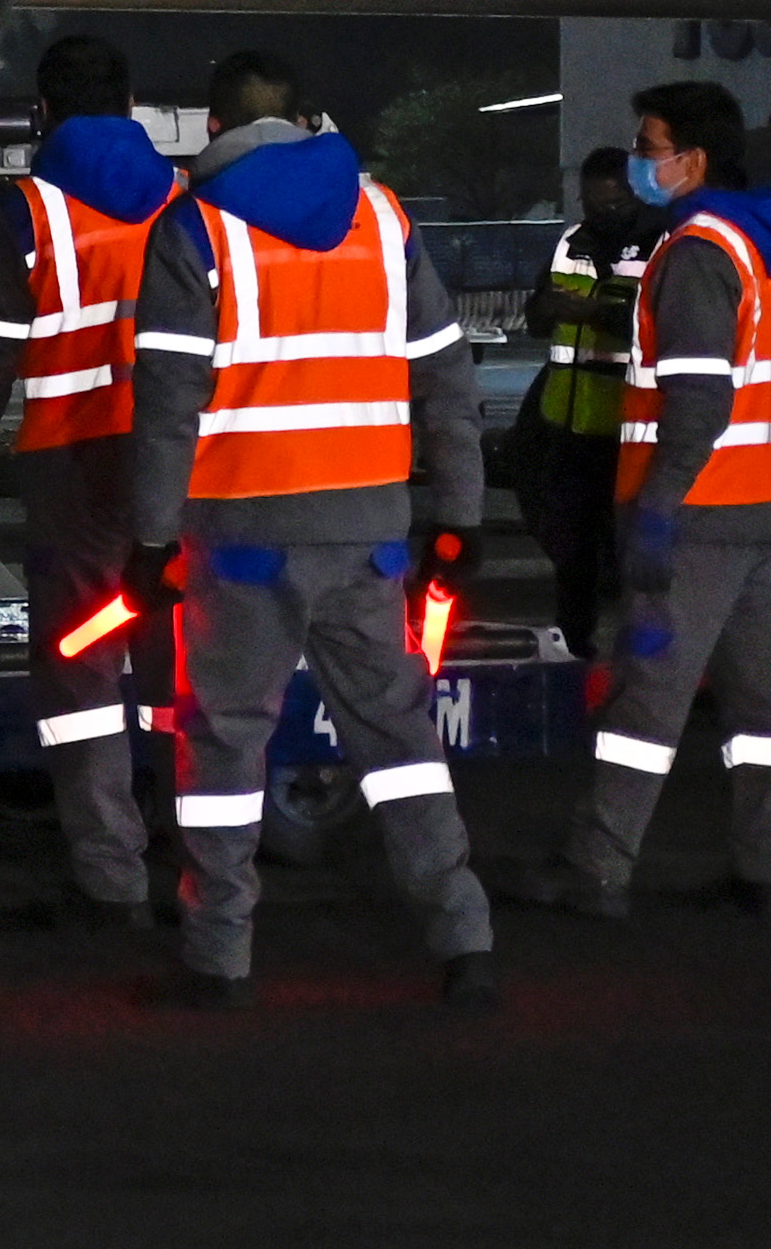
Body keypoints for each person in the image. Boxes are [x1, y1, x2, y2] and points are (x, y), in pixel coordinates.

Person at [124, 49, 496, 1007]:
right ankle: (464, 937)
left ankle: (219, 958)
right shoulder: (384, 217)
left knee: (224, 747)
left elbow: (167, 406)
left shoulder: (195, 228)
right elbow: (446, 380)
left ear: (212, 129)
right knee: (397, 738)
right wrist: (460, 514)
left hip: (240, 538)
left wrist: (151, 538)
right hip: (370, 532)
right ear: (305, 122)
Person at [504, 82, 771, 921]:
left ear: (693, 159)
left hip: (700, 513)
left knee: (646, 693)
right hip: (758, 504)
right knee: (760, 705)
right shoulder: (756, 243)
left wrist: (656, 508)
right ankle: (762, 865)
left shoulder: (698, 252)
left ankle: (597, 866)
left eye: (649, 147)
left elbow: (698, 401)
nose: (637, 162)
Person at [0, 35, 178, 928]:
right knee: (176, 659)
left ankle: (111, 876)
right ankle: (194, 854)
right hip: (179, 464)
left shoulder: (28, 212)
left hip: (76, 471)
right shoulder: (186, 202)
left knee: (80, 670)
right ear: (131, 104)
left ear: (42, 111)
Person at [515, 147, 652, 665]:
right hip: (567, 423)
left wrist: (593, 312)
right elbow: (535, 319)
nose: (602, 213)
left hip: (626, 430)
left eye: (613, 203)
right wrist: (548, 307)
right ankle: (575, 648)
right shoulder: (571, 242)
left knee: (632, 554)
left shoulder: (661, 245)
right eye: (592, 203)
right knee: (571, 550)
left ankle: (643, 659)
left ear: (635, 195)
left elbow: (657, 326)